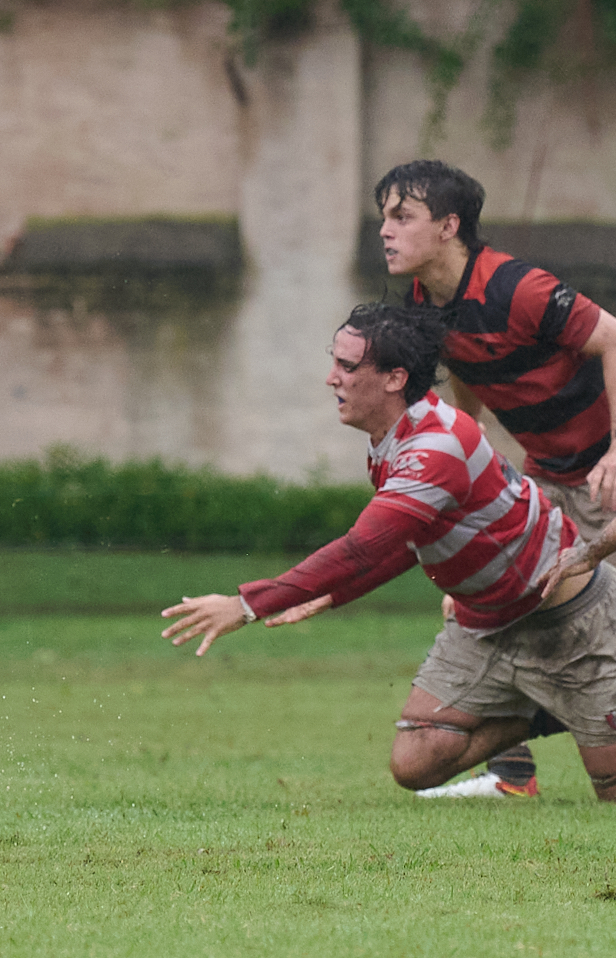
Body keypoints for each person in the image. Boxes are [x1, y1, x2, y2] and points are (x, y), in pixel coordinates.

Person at [161, 304, 616, 802]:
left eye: (348, 366)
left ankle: (582, 709)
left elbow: (361, 548)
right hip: (487, 622)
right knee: (414, 764)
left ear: (395, 378)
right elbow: (408, 540)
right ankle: (549, 712)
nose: (331, 378)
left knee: (608, 796)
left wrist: (244, 605)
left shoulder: (434, 447)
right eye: (335, 362)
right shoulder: (394, 438)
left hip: (569, 621)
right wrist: (336, 596)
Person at [380, 159, 616, 798]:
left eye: (402, 216)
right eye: (384, 216)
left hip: (600, 473)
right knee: (499, 600)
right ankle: (513, 775)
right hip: (548, 478)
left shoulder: (519, 289)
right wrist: (466, 434)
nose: (385, 230)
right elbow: (465, 361)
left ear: (449, 226)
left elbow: (614, 338)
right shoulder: (428, 301)